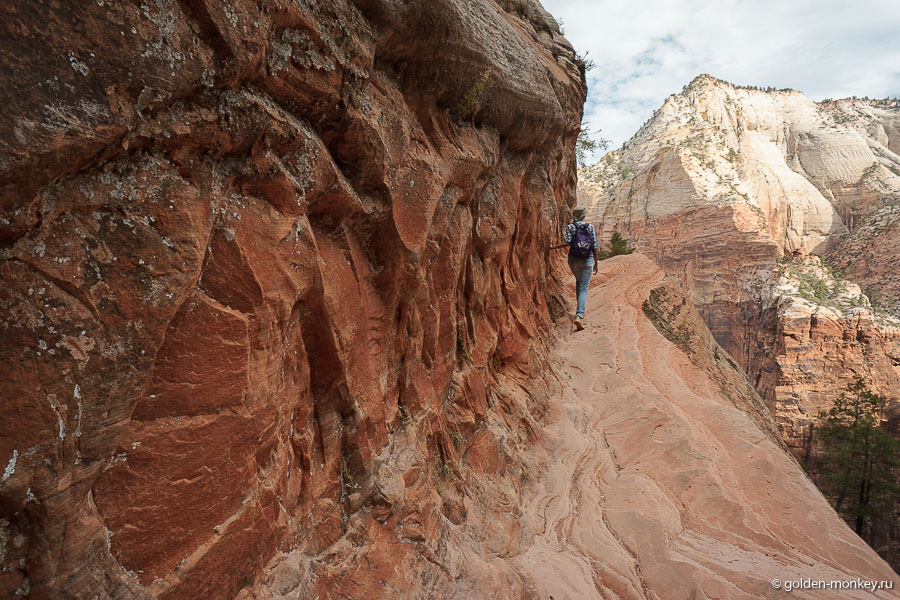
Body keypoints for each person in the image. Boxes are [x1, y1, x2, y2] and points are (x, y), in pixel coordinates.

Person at [550, 206, 599, 331]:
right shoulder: (590, 227)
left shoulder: (571, 227)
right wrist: (596, 262)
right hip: (587, 260)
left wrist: (551, 248)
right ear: (584, 215)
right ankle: (579, 316)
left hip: (573, 260)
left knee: (579, 282)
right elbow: (594, 246)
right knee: (583, 288)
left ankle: (579, 312)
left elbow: (567, 242)